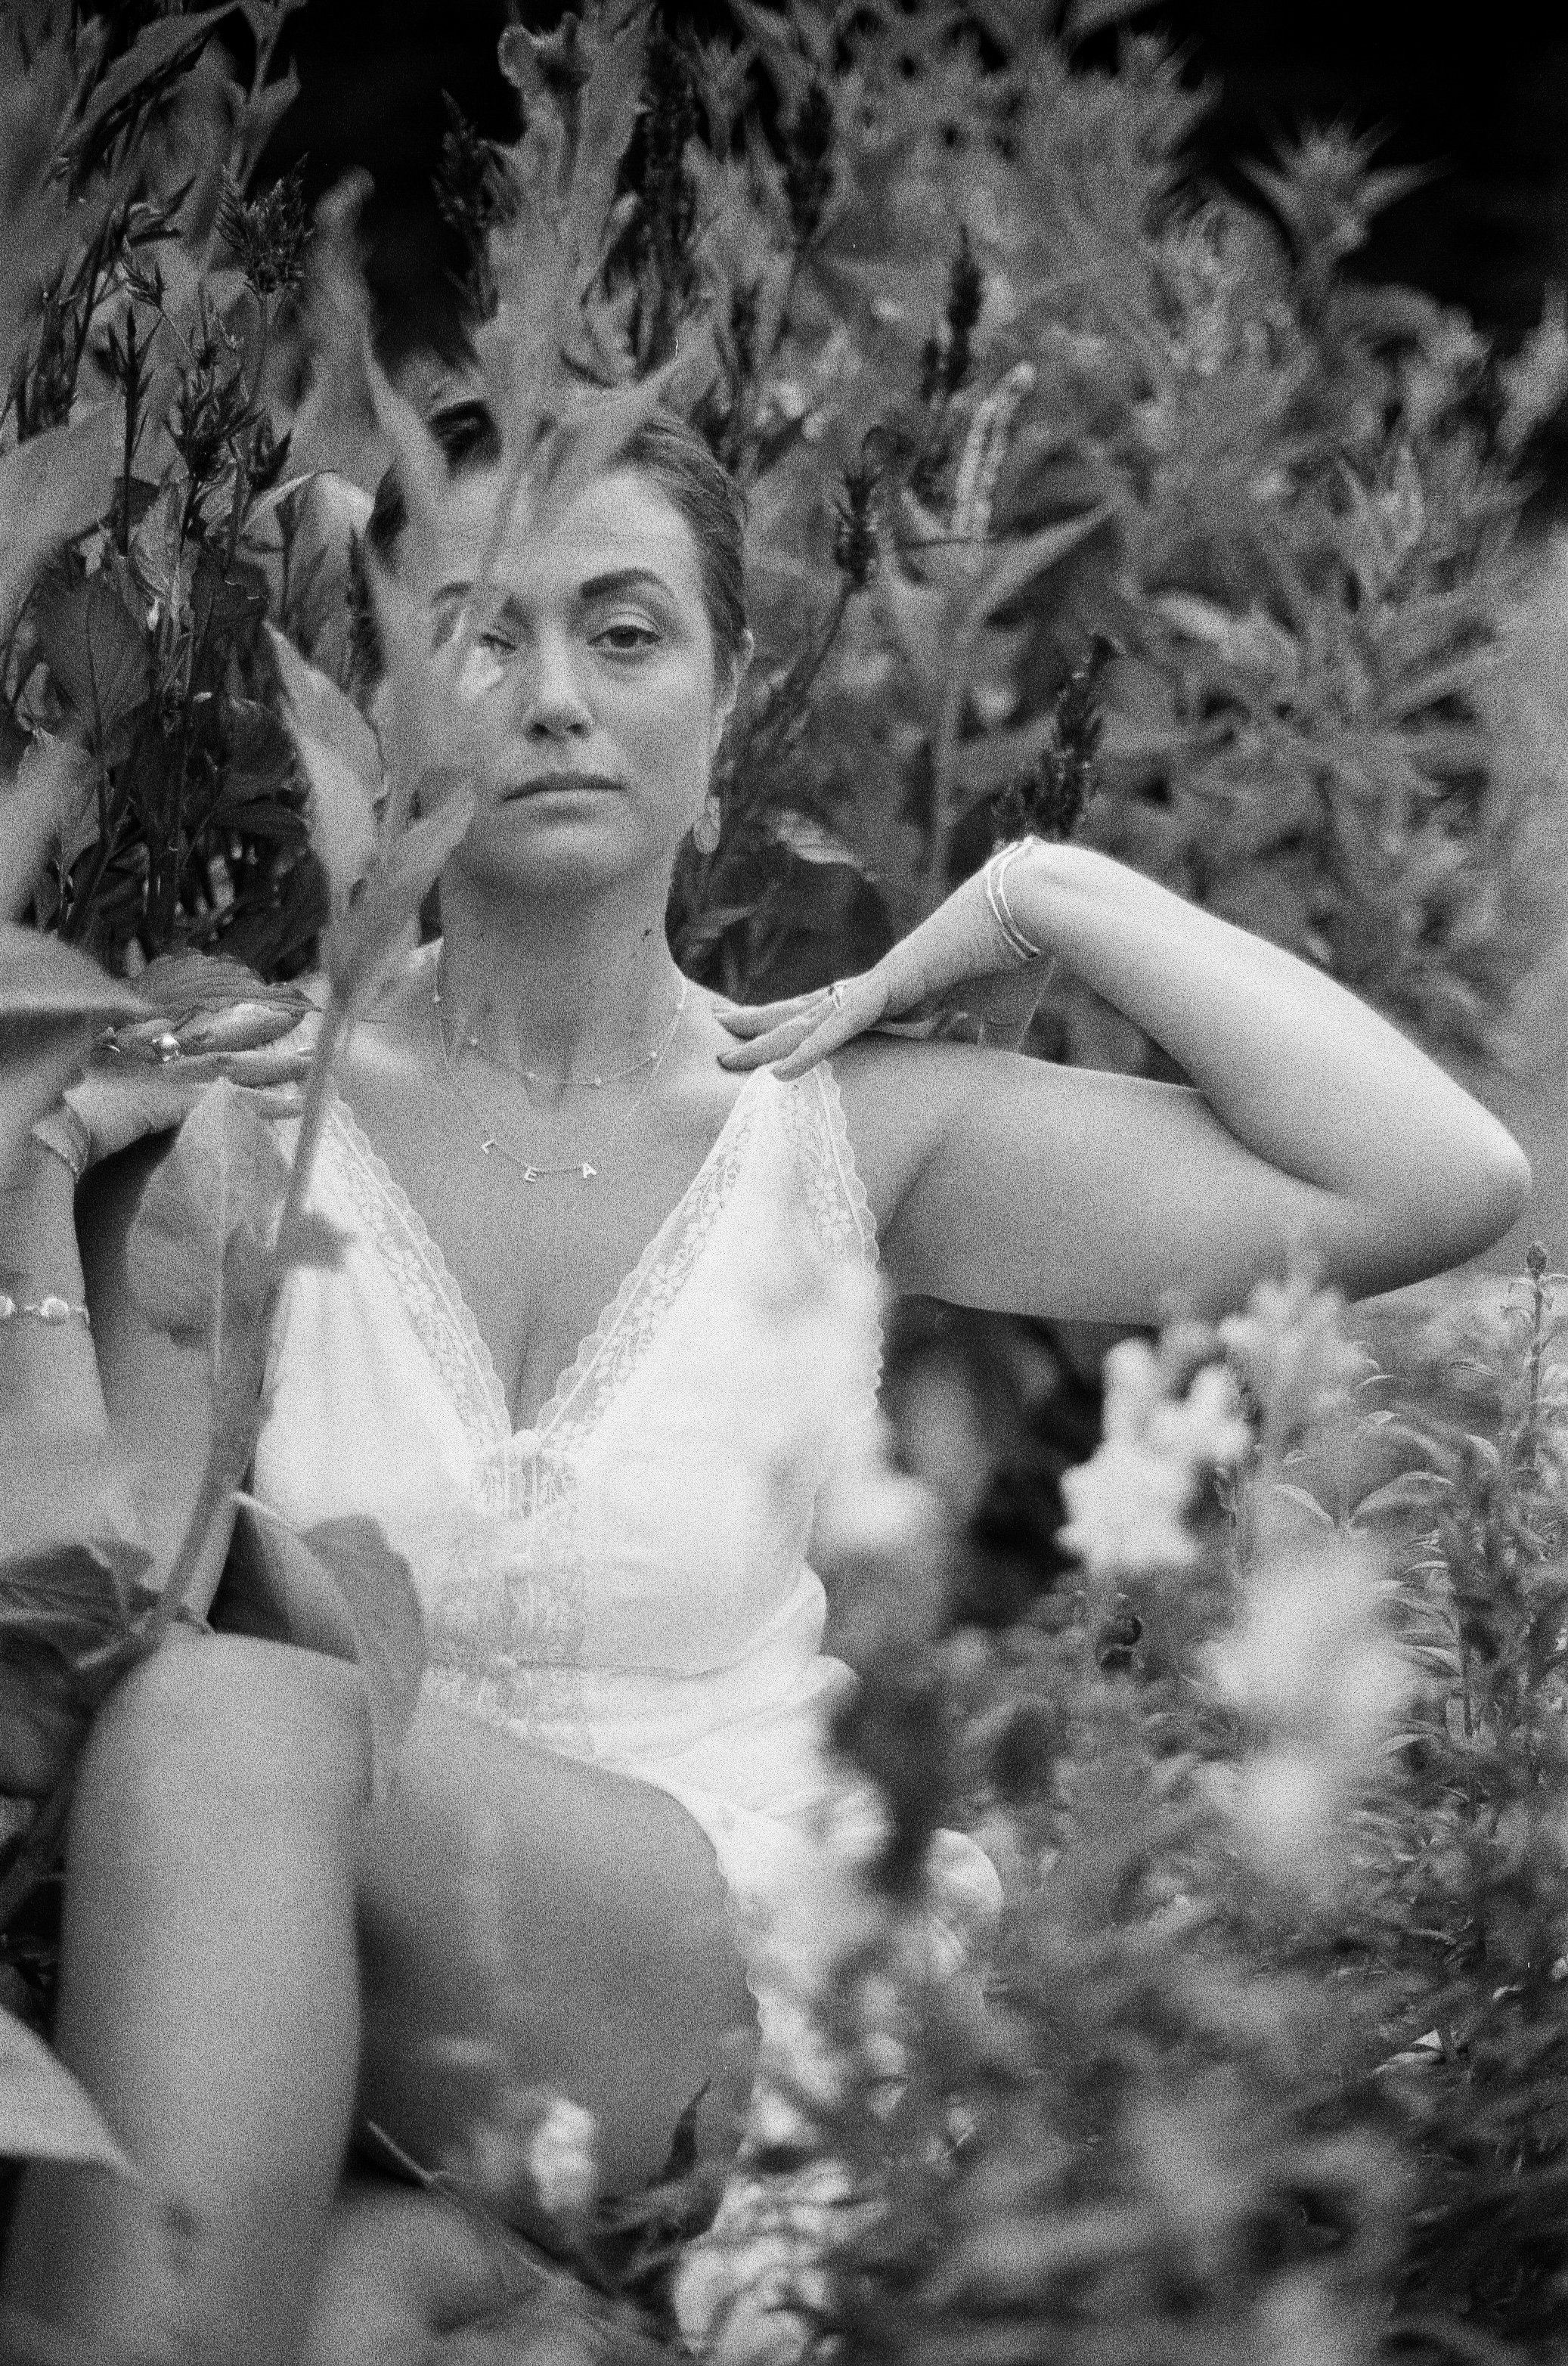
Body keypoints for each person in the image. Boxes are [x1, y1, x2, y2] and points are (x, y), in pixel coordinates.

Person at [0, 398, 1531, 2364]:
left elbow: (1431, 1179)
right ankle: (537, 2288)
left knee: (229, 1723)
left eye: (625, 631)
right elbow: (67, 1667)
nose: (553, 690)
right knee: (342, 2299)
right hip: (371, 2026)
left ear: (722, 716)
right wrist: (34, 1180)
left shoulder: (831, 1133)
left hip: (752, 1973)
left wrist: (1036, 888)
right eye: (478, 625)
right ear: (380, 711)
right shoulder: (239, 1125)